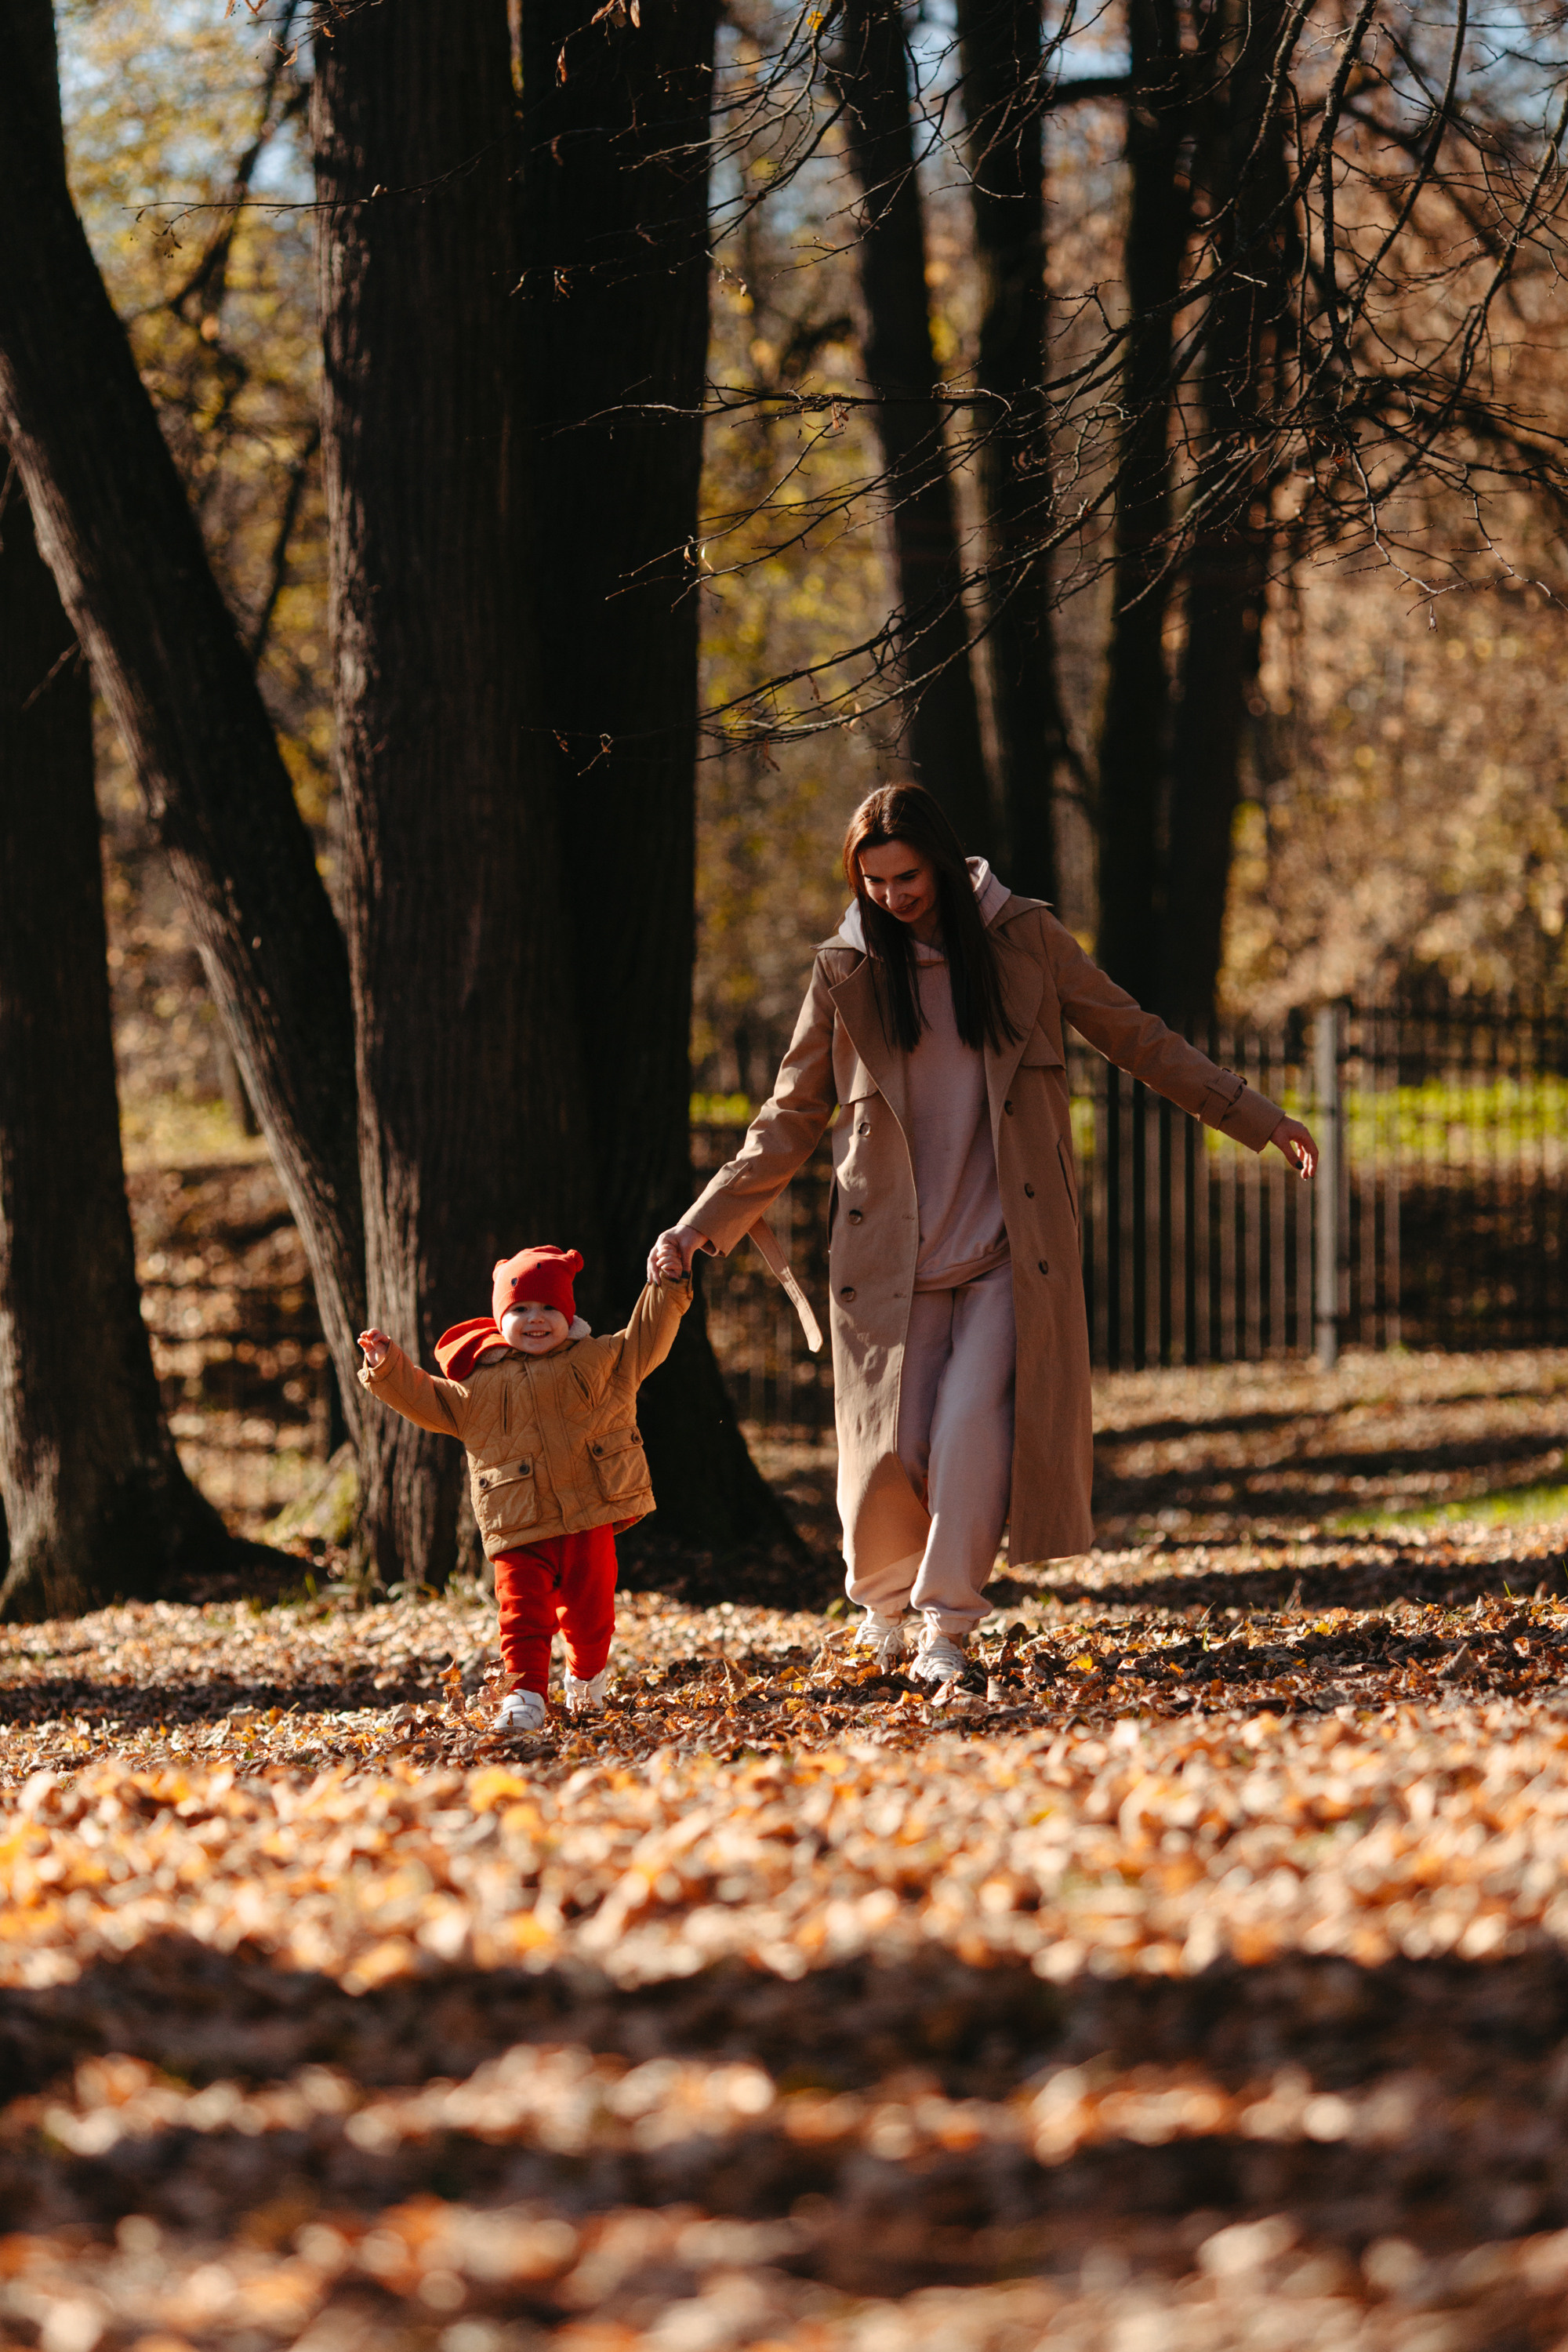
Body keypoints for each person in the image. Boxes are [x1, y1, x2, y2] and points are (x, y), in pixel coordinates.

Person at [649, 782, 1317, 1686]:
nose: (892, 895)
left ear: (940, 860)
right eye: (873, 881)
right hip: (887, 1266)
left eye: (906, 875)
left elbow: (1136, 1036)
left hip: (1011, 1254)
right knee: (887, 1457)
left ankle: (945, 1629)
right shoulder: (843, 970)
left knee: (969, 1433)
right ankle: (884, 1609)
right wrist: (699, 1225)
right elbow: (785, 1120)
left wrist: (1256, 1118)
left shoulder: (1025, 941)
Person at [358, 1243, 691, 1733]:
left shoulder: (603, 1360)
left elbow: (649, 1335)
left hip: (588, 1516)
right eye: (520, 1309)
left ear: (568, 1313)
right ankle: (525, 1693)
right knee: (522, 1615)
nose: (536, 1320)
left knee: (592, 1614)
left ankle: (586, 1678)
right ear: (500, 1317)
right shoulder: (476, 1382)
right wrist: (387, 1367)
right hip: (517, 1522)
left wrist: (667, 1287)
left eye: (549, 1308)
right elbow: (424, 1397)